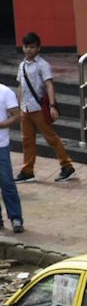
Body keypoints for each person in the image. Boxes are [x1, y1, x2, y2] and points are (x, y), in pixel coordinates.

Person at [14, 31, 76, 183]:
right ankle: (28, 170)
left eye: (32, 47)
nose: (29, 50)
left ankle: (67, 166)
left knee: (51, 138)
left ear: (38, 48)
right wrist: (18, 106)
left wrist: (52, 106)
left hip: (39, 108)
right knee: (27, 140)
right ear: (23, 48)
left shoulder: (43, 65)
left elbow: (49, 85)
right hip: (26, 108)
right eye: (26, 46)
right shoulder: (22, 66)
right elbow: (21, 86)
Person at [0, 81, 23, 233]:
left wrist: (1, 125)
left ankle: (16, 218)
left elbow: (17, 116)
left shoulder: (5, 91)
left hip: (1, 144)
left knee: (7, 182)